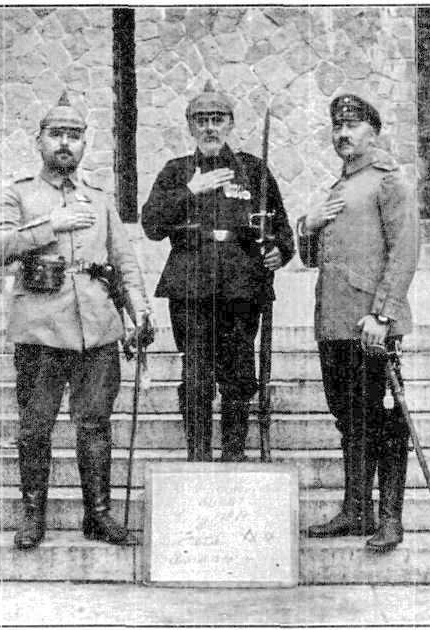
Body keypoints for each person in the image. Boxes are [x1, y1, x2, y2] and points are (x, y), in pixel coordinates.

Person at [0, 92, 152, 550]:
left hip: (97, 327)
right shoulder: (18, 193)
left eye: (74, 136)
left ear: (84, 145)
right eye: (56, 135)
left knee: (96, 424)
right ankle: (33, 515)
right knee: (36, 425)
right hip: (40, 329)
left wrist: (139, 309)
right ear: (39, 141)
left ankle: (97, 516)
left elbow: (124, 260)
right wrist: (52, 224)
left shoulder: (99, 199)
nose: (65, 144)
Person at [141, 81, 295, 463]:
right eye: (201, 120)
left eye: (217, 119)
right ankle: (197, 455)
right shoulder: (177, 171)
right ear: (190, 126)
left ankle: (234, 454)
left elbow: (282, 230)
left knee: (240, 371)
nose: (210, 127)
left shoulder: (253, 170)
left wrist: (280, 251)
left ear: (230, 124)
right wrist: (190, 191)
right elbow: (151, 226)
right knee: (195, 373)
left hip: (242, 284)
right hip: (190, 284)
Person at [297, 94, 419, 551]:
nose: (343, 134)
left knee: (383, 421)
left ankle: (389, 518)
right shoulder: (340, 187)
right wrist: (306, 227)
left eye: (353, 125)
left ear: (374, 131)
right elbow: (315, 259)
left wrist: (383, 314)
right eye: (336, 127)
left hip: (371, 325)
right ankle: (355, 510)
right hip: (334, 325)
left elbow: (404, 251)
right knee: (349, 418)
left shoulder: (389, 181)